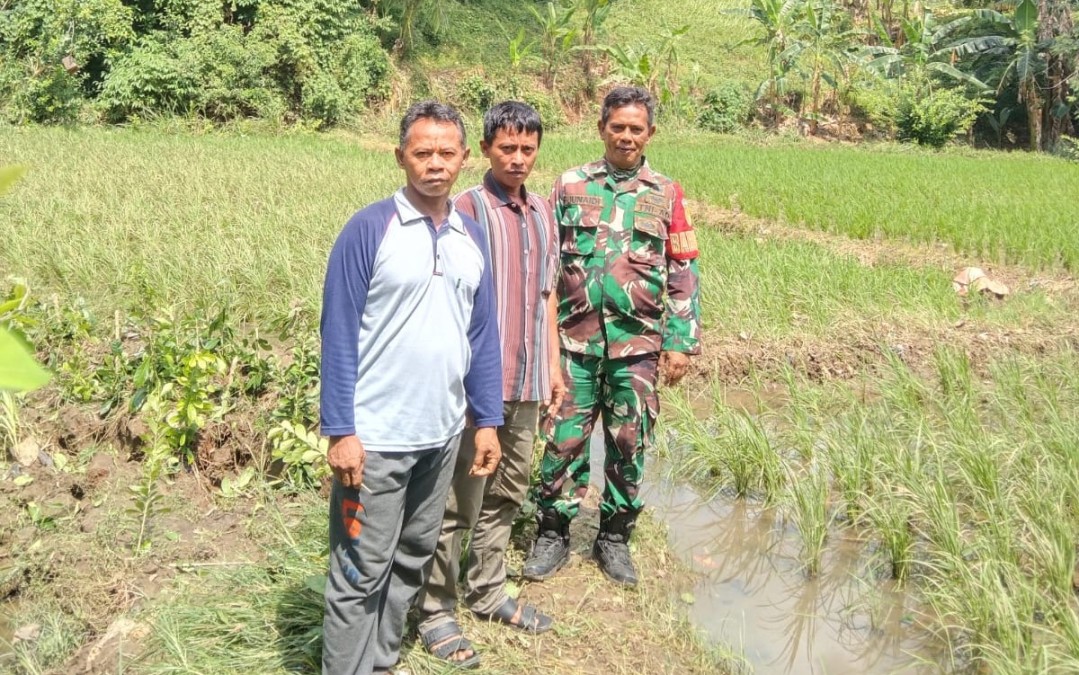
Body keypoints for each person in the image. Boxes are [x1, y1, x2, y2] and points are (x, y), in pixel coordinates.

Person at [319, 100, 504, 675]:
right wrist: (341, 431)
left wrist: (488, 421)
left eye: (447, 153)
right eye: (422, 153)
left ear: (465, 159)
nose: (435, 164)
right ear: (401, 157)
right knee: (359, 569)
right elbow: (339, 333)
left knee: (412, 557)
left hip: (442, 435)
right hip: (376, 439)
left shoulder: (470, 236)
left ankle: (382, 661)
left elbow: (482, 336)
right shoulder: (370, 229)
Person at [523, 86, 702, 587]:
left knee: (629, 443)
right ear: (601, 128)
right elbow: (546, 265)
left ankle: (614, 538)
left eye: (636, 128)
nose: (626, 136)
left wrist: (681, 340)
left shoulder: (667, 193)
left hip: (638, 349)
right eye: (617, 126)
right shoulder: (569, 186)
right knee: (562, 440)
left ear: (650, 134)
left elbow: (683, 270)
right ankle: (553, 532)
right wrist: (543, 341)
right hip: (574, 344)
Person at [415, 100, 565, 669]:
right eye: (507, 147)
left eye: (528, 149)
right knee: (458, 499)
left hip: (526, 380)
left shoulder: (543, 213)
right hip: (478, 384)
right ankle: (435, 608)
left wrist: (553, 367)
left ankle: (487, 589)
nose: (519, 158)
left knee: (507, 490)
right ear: (484, 151)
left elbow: (548, 297)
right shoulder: (465, 210)